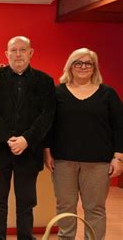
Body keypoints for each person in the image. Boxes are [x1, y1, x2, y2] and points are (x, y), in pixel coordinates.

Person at [44, 48, 123, 240]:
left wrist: (119, 157)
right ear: (70, 66)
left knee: (95, 209)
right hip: (63, 161)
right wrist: (47, 152)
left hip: (98, 163)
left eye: (88, 63)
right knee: (65, 207)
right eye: (77, 63)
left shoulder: (108, 93)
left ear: (94, 68)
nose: (83, 67)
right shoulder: (56, 92)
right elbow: (48, 125)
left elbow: (119, 127)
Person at [0, 36, 55, 240]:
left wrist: (26, 140)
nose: (18, 54)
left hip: (29, 151)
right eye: (13, 50)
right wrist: (8, 138)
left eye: (23, 50)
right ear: (6, 54)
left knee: (26, 202)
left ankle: (25, 237)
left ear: (31, 53)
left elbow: (47, 115)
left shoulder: (45, 81)